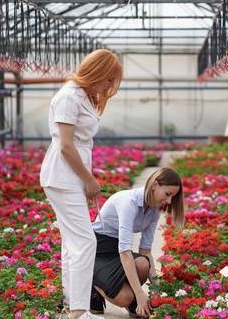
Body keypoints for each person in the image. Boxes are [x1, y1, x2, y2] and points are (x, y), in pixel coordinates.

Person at [40, 49, 123, 319]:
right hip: (63, 175)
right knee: (86, 242)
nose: (109, 86)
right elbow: (65, 146)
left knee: (72, 243)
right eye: (108, 79)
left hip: (69, 176)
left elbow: (76, 145)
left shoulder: (80, 96)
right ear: (96, 71)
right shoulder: (69, 97)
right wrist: (89, 180)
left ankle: (71, 305)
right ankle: (78, 310)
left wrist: (85, 179)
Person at [89, 167, 185, 318]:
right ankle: (92, 286)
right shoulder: (128, 203)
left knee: (143, 263)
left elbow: (145, 251)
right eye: (167, 194)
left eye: (172, 197)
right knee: (125, 298)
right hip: (97, 252)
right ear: (154, 185)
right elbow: (126, 253)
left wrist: (159, 292)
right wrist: (140, 294)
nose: (169, 201)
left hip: (117, 251)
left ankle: (131, 296)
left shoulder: (154, 209)